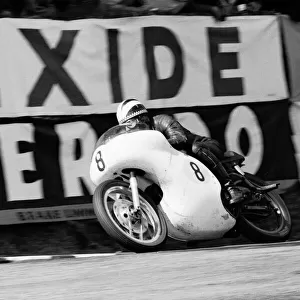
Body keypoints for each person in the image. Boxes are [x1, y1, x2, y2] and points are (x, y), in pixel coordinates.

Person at [116, 98, 245, 205]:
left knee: (197, 148)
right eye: (126, 127)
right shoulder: (142, 141)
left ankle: (230, 187)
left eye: (129, 124)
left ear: (139, 118)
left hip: (203, 147)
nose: (129, 129)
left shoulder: (161, 120)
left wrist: (156, 146)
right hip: (183, 166)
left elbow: (180, 138)